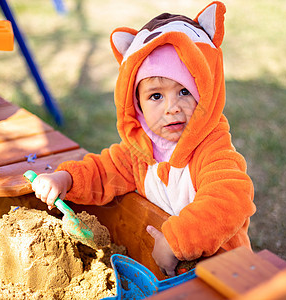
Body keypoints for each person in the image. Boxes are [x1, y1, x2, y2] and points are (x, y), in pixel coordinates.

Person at [31, 1, 256, 277]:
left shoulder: (211, 148)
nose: (172, 107)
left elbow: (230, 199)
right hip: (169, 272)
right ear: (136, 104)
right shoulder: (140, 152)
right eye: (156, 96)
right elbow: (103, 171)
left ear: (205, 92)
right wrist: (65, 179)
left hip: (225, 272)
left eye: (184, 92)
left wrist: (177, 240)